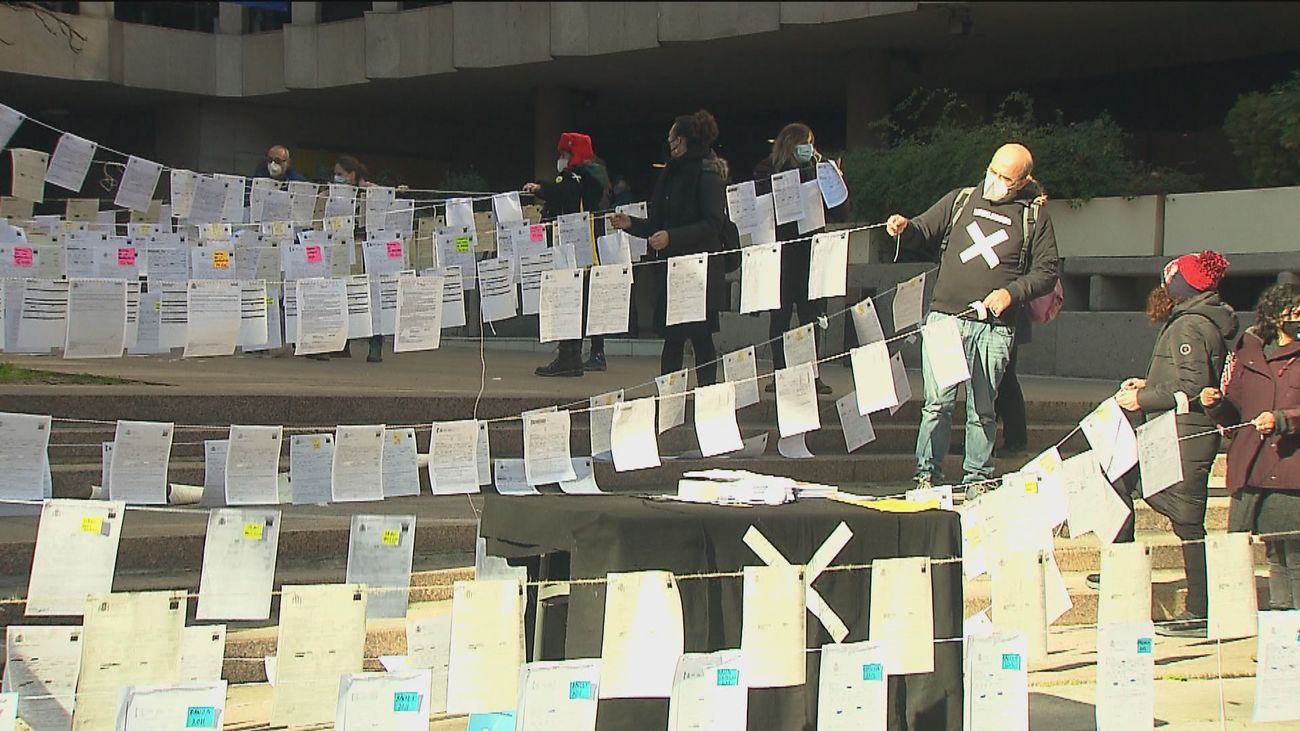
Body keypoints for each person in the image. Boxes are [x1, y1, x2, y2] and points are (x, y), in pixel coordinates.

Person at [885, 143, 1059, 490]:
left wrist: (1010, 293)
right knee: (937, 404)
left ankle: (977, 478)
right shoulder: (961, 199)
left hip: (994, 328)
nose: (995, 181)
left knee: (982, 408)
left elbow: (1047, 271)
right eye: (993, 171)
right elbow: (923, 230)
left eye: (1005, 178)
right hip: (946, 318)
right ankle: (927, 475)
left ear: (1023, 182)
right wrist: (903, 227)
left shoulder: (1033, 216)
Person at [1087, 250, 1235, 638]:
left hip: (1183, 437)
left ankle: (1199, 609)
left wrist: (1143, 398)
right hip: (1176, 433)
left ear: (1181, 288)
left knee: (1187, 523)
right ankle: (1124, 568)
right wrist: (1149, 385)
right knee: (1119, 477)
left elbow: (1193, 386)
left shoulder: (1189, 327)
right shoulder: (1197, 321)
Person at [609, 109, 728, 387]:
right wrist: (631, 224)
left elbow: (713, 223)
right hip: (672, 267)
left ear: (681, 140)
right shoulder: (670, 173)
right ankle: (669, 398)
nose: (668, 141)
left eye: (671, 136)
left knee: (700, 337)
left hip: (698, 270)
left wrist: (672, 237)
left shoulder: (707, 172)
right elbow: (658, 224)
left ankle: (708, 395)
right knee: (673, 338)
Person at [1201, 282, 1300, 610]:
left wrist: (1282, 420)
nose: (1297, 319)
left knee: (1294, 556)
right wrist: (1216, 405)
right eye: (1292, 312)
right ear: (1274, 315)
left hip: (1290, 470)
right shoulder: (1250, 351)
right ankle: (1280, 622)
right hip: (1253, 468)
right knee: (1271, 554)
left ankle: (1293, 621)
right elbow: (1236, 415)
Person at [752, 122, 849, 396]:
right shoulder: (767, 169)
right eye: (805, 142)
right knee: (780, 317)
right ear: (791, 144)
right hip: (780, 253)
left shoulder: (819, 168)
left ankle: (811, 374)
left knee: (811, 316)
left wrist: (835, 180)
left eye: (812, 143)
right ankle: (780, 373)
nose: (810, 148)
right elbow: (758, 205)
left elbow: (840, 210)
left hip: (811, 252)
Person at [523, 132, 611, 376]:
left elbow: (562, 192)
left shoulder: (576, 177)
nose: (561, 159)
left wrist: (540, 188)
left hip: (571, 248)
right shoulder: (594, 178)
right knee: (578, 301)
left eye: (564, 154)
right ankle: (574, 357)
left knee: (566, 299)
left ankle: (567, 358)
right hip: (586, 248)